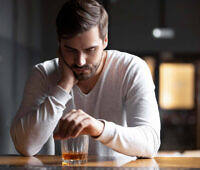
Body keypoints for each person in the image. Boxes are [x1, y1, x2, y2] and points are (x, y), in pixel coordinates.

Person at [10, 0, 160, 158]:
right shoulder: (43, 73)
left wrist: (98, 128)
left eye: (90, 50)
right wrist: (63, 86)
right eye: (70, 50)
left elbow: (150, 143)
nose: (80, 61)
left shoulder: (131, 68)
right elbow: (25, 146)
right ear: (59, 44)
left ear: (105, 41)